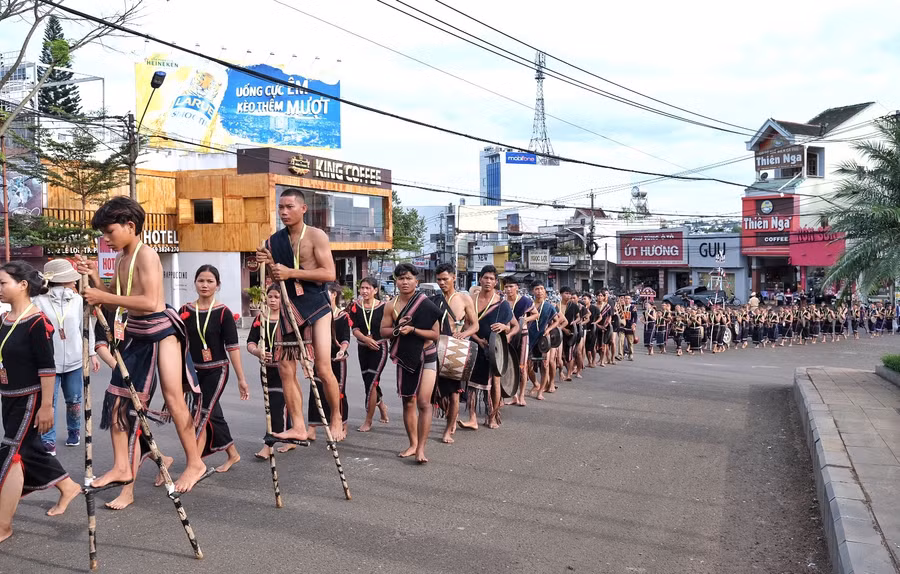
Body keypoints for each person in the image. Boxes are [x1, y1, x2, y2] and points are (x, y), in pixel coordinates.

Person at [76, 196, 208, 497]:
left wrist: (103, 297)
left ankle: (195, 462)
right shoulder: (123, 258)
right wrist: (95, 278)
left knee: (174, 398)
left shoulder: (146, 254)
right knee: (118, 398)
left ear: (130, 225)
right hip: (135, 331)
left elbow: (148, 302)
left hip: (161, 330)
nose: (105, 238)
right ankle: (123, 466)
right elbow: (116, 294)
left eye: (110, 231)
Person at [0, 261, 82, 543]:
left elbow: (47, 368)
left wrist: (47, 405)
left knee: (13, 453)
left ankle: (4, 525)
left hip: (29, 398)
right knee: (30, 448)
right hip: (8, 397)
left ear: (22, 285)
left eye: (3, 283)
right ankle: (68, 486)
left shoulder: (37, 322)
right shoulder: (5, 319)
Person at [256, 187, 346, 443]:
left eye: (289, 207)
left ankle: (336, 416)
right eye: (280, 208)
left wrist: (291, 272)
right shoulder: (274, 241)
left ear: (303, 209)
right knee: (285, 367)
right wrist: (267, 262)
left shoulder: (316, 236)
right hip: (288, 303)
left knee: (322, 367)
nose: (284, 212)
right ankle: (297, 426)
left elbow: (329, 274)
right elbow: (277, 276)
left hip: (315, 303)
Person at [179, 265, 249, 475]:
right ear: (195, 283)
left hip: (217, 370)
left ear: (218, 285)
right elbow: (180, 345)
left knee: (201, 414)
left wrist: (241, 379)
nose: (205, 285)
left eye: (210, 281)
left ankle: (194, 465)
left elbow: (233, 348)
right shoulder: (184, 310)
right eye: (201, 280)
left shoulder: (223, 313)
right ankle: (232, 454)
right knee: (212, 414)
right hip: (194, 371)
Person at [33, 259, 100, 455]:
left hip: (74, 360)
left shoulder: (78, 300)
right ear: (61, 281)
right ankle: (48, 440)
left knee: (74, 399)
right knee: (48, 402)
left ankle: (74, 432)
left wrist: (92, 353)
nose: (74, 282)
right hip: (48, 363)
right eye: (71, 279)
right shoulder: (38, 302)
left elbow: (86, 327)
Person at [380, 264, 441, 463]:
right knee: (408, 401)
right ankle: (413, 444)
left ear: (417, 281)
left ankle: (422, 448)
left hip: (427, 354)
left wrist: (413, 330)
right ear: (395, 281)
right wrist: (399, 328)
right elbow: (383, 331)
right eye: (401, 278)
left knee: (424, 402)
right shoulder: (391, 305)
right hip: (406, 356)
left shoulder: (426, 304)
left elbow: (435, 335)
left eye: (408, 278)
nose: (404, 282)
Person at [460, 265, 515, 430]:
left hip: (494, 349)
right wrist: (477, 339)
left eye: (492, 278)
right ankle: (472, 418)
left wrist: (505, 329)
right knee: (471, 384)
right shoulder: (471, 300)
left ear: (496, 282)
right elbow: (466, 325)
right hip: (474, 345)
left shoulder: (502, 304)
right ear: (480, 279)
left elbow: (513, 327)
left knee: (495, 383)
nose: (488, 281)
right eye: (485, 278)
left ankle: (492, 416)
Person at [429, 263, 477, 443]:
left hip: (455, 350)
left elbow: (475, 325)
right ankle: (451, 416)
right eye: (439, 280)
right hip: (435, 347)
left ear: (454, 278)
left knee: (455, 391)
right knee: (436, 391)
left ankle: (448, 430)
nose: (442, 283)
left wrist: (464, 334)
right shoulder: (432, 300)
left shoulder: (464, 299)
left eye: (445, 279)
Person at [247, 284, 297, 459]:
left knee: (277, 406)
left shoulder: (290, 319)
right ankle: (289, 437)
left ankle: (269, 444)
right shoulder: (261, 318)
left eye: (277, 297)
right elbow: (250, 343)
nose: (273, 300)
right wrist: (257, 352)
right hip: (267, 370)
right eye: (271, 297)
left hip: (285, 370)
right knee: (273, 405)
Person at [307, 283, 351, 441]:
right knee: (315, 390)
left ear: (334, 295)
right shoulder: (317, 314)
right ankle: (311, 428)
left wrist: (342, 349)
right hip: (320, 357)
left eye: (326, 292)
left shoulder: (342, 315)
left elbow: (345, 337)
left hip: (337, 358)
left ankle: (342, 424)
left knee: (338, 392)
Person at [347, 277, 390, 433]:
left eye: (367, 288)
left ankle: (368, 420)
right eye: (362, 288)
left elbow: (389, 327)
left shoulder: (385, 307)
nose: (364, 291)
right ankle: (382, 406)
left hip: (380, 348)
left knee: (371, 382)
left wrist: (376, 341)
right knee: (369, 382)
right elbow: (354, 328)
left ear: (375, 290)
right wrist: (365, 339)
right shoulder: (354, 306)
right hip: (362, 348)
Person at [504, 278, 537, 407]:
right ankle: (514, 396)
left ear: (517, 287)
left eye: (511, 286)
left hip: (522, 335)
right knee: (508, 366)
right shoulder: (503, 302)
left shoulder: (525, 301)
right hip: (507, 335)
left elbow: (536, 314)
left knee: (522, 367)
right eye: (506, 286)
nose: (508, 289)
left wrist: (525, 319)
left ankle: (522, 395)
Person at [527, 282, 560, 401]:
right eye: (536, 289)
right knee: (528, 366)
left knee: (544, 365)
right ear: (533, 291)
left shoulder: (549, 306)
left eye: (541, 289)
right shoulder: (529, 305)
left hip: (543, 340)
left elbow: (557, 320)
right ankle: (536, 383)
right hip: (529, 338)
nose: (539, 291)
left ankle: (540, 391)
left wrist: (549, 329)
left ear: (545, 291)